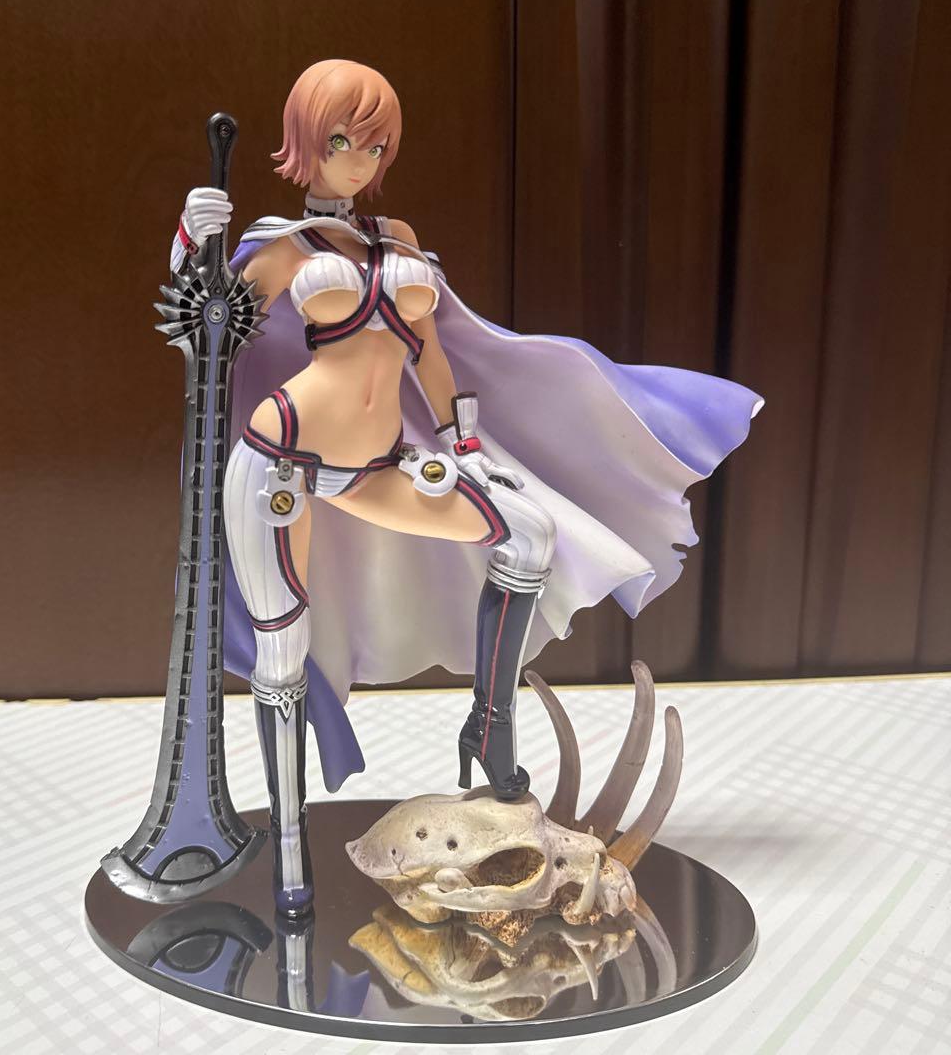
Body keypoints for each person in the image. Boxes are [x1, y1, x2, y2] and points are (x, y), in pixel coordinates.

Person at [169, 60, 763, 917]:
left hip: (381, 465)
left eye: (375, 145)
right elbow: (203, 332)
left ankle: (489, 724)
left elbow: (434, 354)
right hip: (281, 462)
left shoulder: (397, 240)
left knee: (527, 534)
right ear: (303, 143)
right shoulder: (280, 248)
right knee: (283, 654)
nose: (358, 159)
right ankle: (291, 855)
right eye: (339, 140)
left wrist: (467, 445)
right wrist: (190, 241)